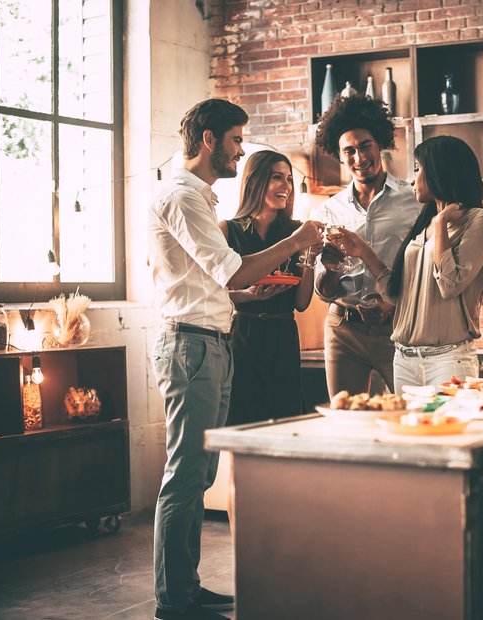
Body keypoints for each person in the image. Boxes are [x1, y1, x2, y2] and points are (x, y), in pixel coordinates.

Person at [148, 99, 322, 620]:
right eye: (236, 140)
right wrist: (297, 240)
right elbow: (232, 272)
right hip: (191, 345)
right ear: (208, 140)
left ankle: (187, 586)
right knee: (184, 475)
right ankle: (173, 600)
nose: (240, 150)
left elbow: (220, 284)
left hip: (214, 340)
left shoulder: (197, 196)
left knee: (200, 477)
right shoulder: (181, 196)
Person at [330, 135, 483, 393]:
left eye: (419, 169)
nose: (413, 179)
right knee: (407, 432)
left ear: (441, 171)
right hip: (404, 359)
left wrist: (442, 222)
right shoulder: (425, 223)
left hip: (448, 360)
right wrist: (363, 251)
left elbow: (450, 285)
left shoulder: (480, 220)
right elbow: (399, 293)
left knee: (447, 431)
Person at [312, 95, 420, 396]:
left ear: (379, 144)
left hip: (397, 329)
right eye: (349, 150)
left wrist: (392, 304)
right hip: (343, 330)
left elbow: (422, 269)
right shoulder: (328, 211)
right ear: (339, 155)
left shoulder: (412, 201)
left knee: (409, 414)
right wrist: (330, 269)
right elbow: (323, 291)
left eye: (365, 146)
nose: (359, 157)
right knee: (345, 419)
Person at [219, 150, 321, 425]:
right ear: (255, 180)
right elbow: (214, 293)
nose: (286, 186)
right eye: (277, 177)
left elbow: (301, 302)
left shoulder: (297, 231)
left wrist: (310, 256)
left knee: (286, 415)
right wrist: (246, 296)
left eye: (288, 179)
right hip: (242, 335)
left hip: (283, 334)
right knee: (241, 417)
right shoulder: (227, 231)